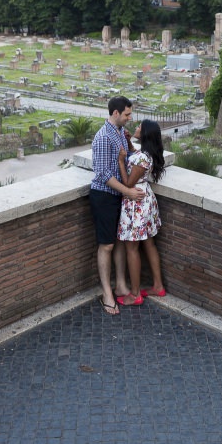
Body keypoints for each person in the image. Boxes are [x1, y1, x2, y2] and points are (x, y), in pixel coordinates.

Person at [89, 96, 144, 316]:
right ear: (115, 113)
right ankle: (107, 294)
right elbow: (103, 174)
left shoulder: (120, 132)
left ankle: (120, 285)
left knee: (119, 241)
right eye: (127, 114)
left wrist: (131, 142)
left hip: (118, 195)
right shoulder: (103, 137)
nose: (130, 118)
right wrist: (128, 192)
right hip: (104, 196)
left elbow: (127, 158)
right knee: (107, 245)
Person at [114, 119, 166, 307]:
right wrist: (129, 143)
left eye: (139, 127)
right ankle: (158, 286)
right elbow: (137, 156)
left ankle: (135, 294)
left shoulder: (142, 158)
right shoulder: (147, 154)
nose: (135, 128)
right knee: (149, 244)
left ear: (144, 134)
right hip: (146, 201)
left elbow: (128, 183)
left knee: (131, 248)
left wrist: (121, 161)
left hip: (136, 203)